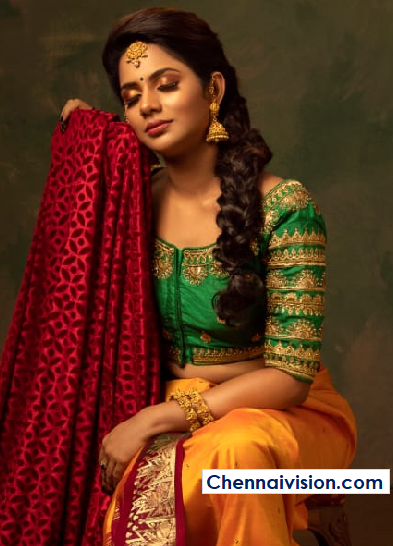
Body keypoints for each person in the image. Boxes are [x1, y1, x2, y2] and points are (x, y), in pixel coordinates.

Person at [59, 7, 357, 546]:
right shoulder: (131, 202)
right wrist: (86, 136)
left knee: (235, 457)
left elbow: (290, 378)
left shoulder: (284, 208)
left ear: (213, 89)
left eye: (167, 85)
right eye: (130, 96)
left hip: (283, 417)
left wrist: (154, 420)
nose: (148, 105)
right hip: (162, 402)